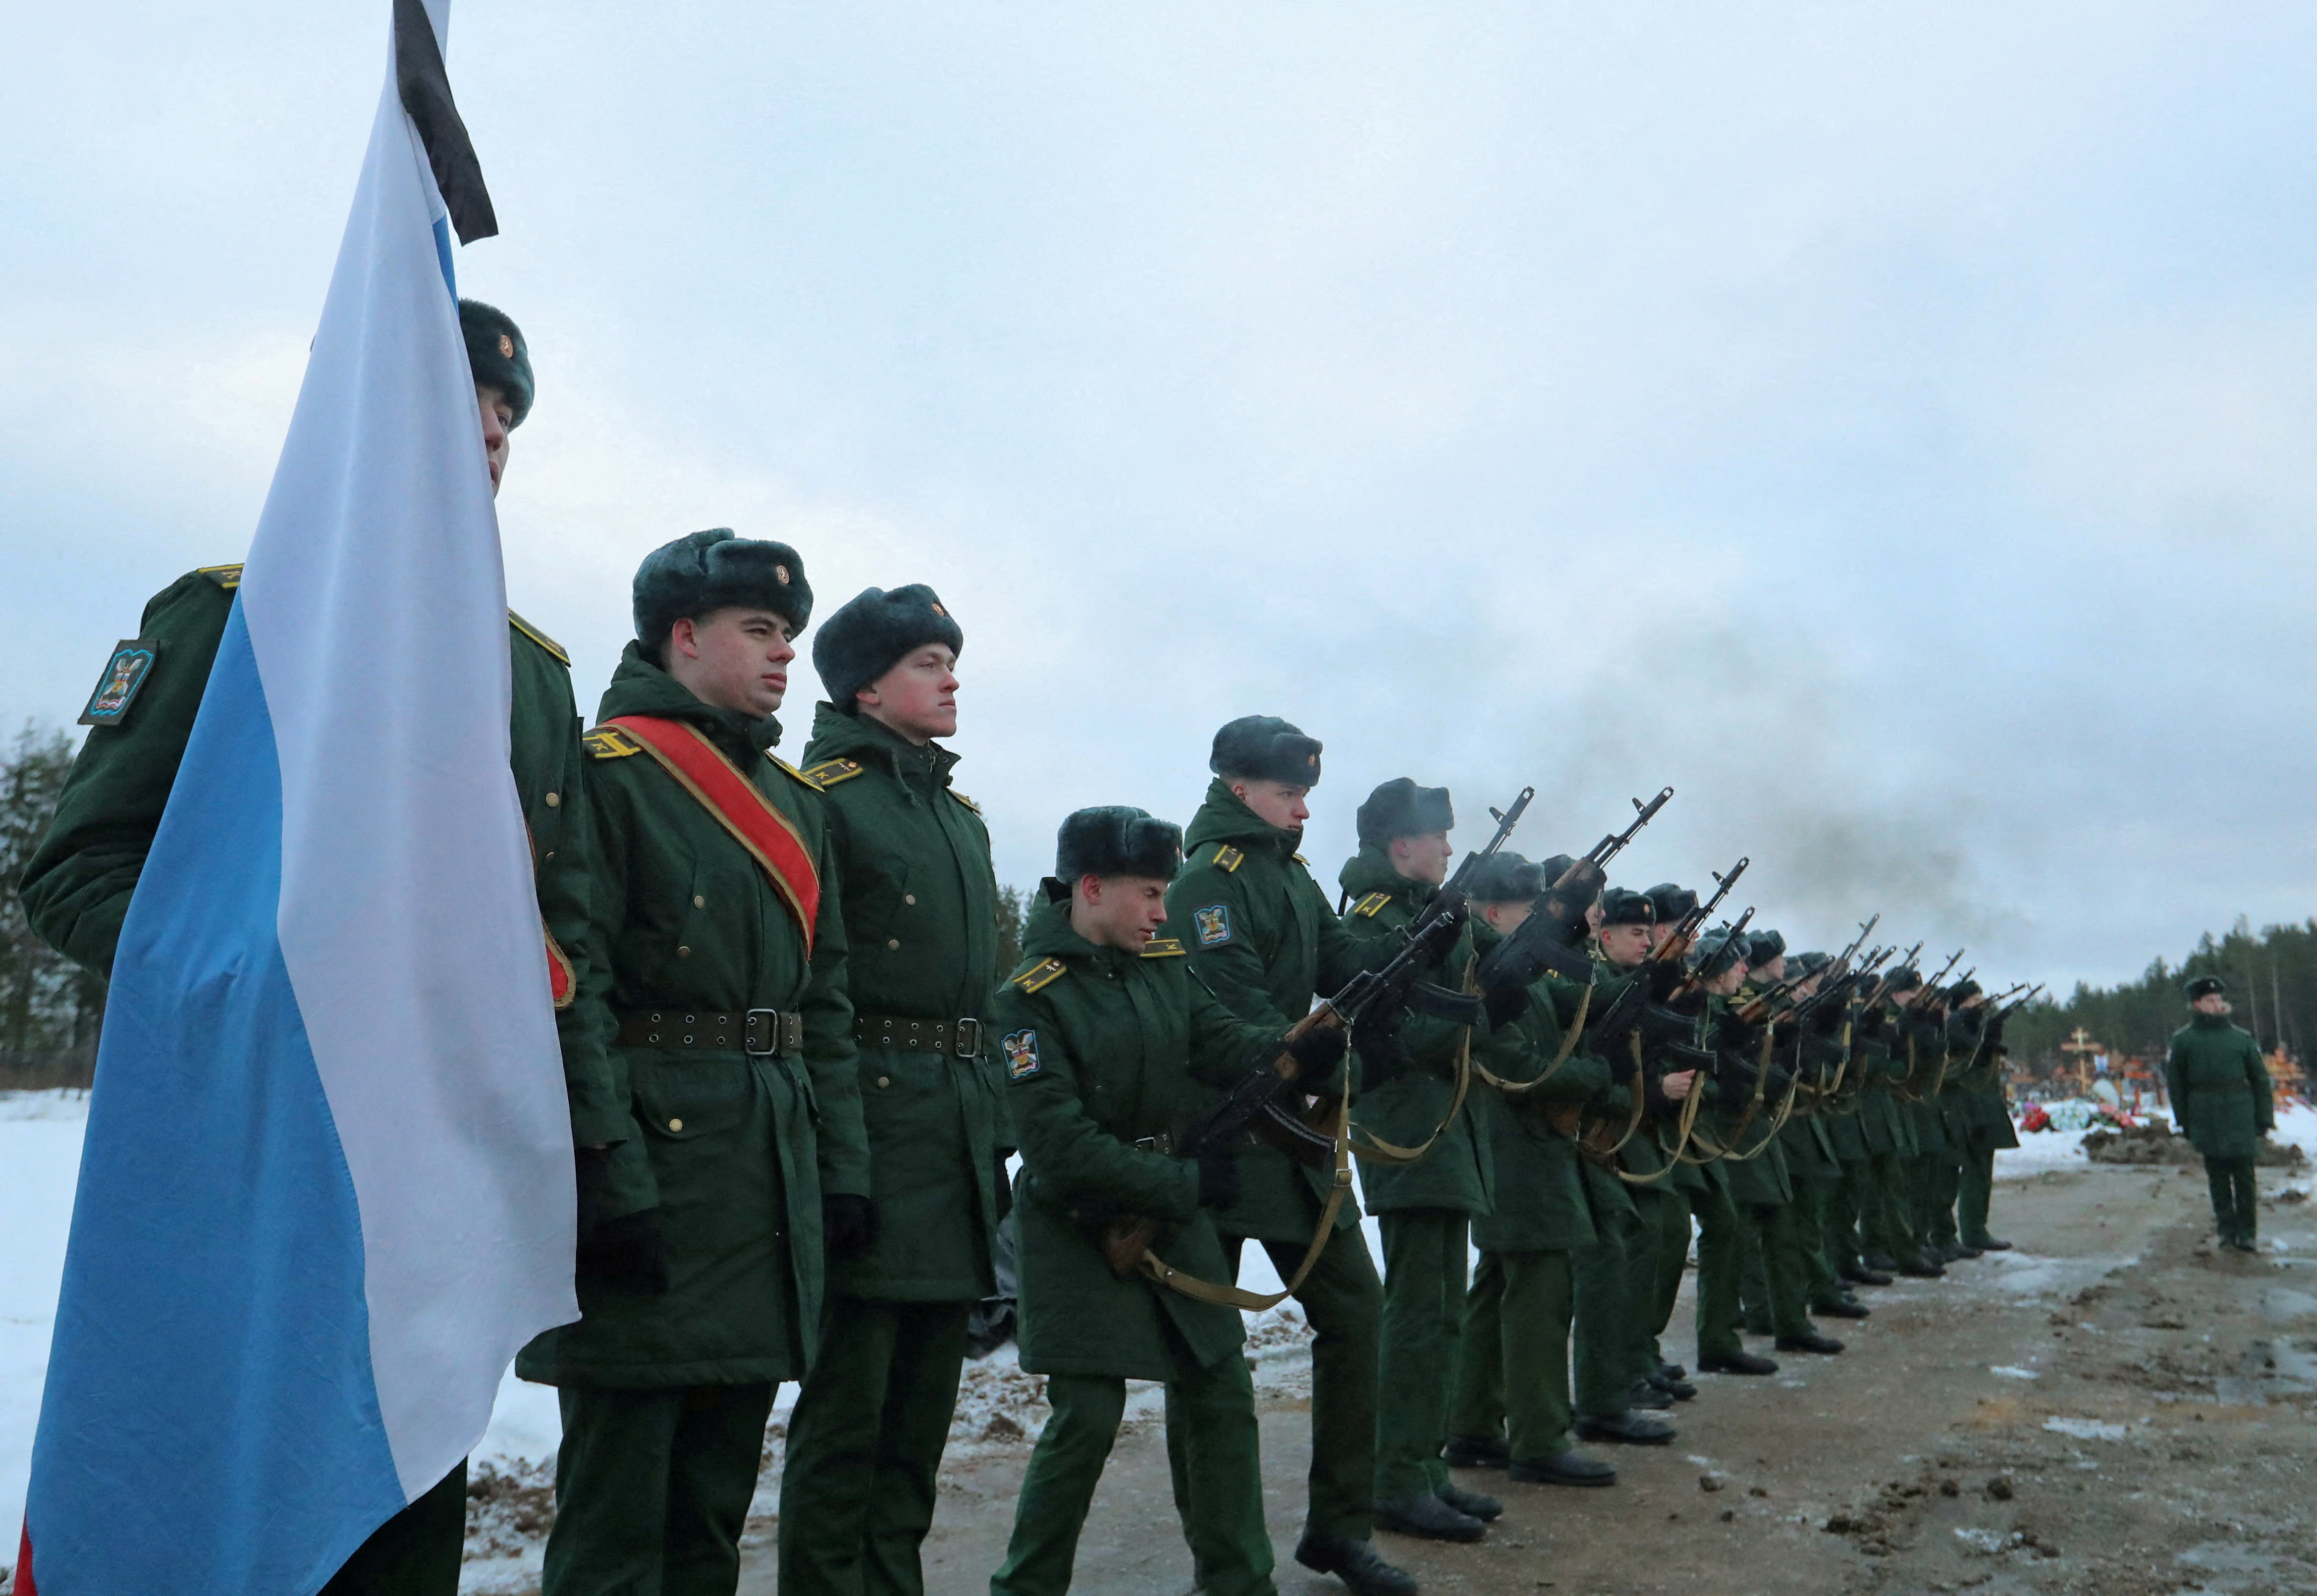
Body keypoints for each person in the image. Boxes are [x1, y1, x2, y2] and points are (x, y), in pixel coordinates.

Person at [19, 302, 622, 1596]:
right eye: (455, 399)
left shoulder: (524, 670)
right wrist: (272, 982)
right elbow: (75, 869)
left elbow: (555, 936)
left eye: (508, 417)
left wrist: (586, 1141)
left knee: (403, 1486)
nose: (489, 433)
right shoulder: (223, 617)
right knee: (230, 1496)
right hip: (245, 1157)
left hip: (439, 1167)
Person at [518, 529, 871, 1596]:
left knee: (713, 1513)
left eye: (791, 636)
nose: (783, 657)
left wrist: (841, 1171)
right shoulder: (606, 777)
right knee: (618, 1520)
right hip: (656, 1175)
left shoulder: (797, 806)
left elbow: (827, 1006)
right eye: (759, 631)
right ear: (682, 635)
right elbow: (570, 988)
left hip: (764, 1180)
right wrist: (603, 1178)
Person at [986, 807, 1347, 1596]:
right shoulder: (1029, 999)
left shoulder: (1158, 964)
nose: (1162, 910)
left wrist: (1293, 1048)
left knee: (1220, 1388)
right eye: (1150, 893)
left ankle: (1238, 1581)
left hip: (1168, 1206)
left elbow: (1216, 1038)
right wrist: (1184, 1184)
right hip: (1078, 1220)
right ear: (1090, 888)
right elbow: (1058, 1149)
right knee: (1085, 1416)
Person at [778, 585, 1010, 1596]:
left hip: (951, 1147)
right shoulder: (818, 800)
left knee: (917, 1431)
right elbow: (811, 997)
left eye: (949, 659)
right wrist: (839, 1163)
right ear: (865, 689)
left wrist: (990, 1134)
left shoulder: (959, 817)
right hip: (867, 1139)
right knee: (844, 1431)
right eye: (926, 662)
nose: (950, 677)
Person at [1162, 716, 1412, 1596]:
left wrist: (1428, 948)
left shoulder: (1290, 876)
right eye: (1288, 793)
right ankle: (1225, 1565)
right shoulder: (1207, 881)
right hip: (1224, 1138)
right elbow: (1226, 1014)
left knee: (1357, 1314)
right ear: (1238, 788)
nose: (1304, 810)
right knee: (1208, 1358)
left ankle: (1341, 1529)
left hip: (1293, 1141)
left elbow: (1348, 964)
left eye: (1307, 794)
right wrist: (1307, 1045)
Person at [1337, 779, 1503, 1543]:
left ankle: (1426, 1467)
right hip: (1407, 1125)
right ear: (1401, 845)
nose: (1447, 847)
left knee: (1442, 1311)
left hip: (1443, 1125)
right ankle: (1395, 1477)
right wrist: (1465, 1019)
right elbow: (1397, 1033)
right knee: (1415, 1314)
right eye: (1437, 836)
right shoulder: (1378, 918)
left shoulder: (1430, 913)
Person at [1446, 853, 1621, 1488]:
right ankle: (1540, 1437)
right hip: (1517, 1148)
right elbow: (1522, 1066)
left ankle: (1471, 1424)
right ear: (1494, 915)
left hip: (1515, 1149)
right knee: (1542, 1297)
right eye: (1529, 911)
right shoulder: (1491, 973)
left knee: (1498, 1291)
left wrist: (1654, 974)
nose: (1539, 924)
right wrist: (1600, 1078)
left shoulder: (1523, 969)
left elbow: (1589, 995)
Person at [2165, 976, 2275, 1253]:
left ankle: (2248, 1234)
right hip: (2205, 1115)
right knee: (2217, 1179)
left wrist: (2264, 1119)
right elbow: (2176, 1085)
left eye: (2218, 1000)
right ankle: (2226, 1232)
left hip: (2240, 1113)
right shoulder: (2184, 1041)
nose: (2217, 1004)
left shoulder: (2241, 1039)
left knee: (2245, 1178)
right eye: (2210, 1000)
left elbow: (2260, 1081)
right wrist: (2184, 1121)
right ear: (2197, 1004)